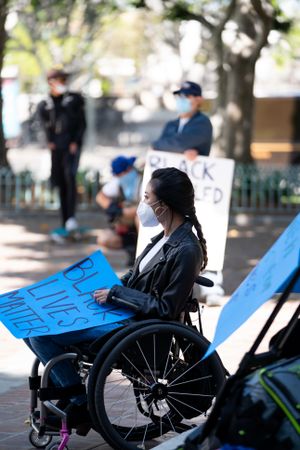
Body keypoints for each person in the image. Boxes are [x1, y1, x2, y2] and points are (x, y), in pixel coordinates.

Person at [25, 167, 207, 434]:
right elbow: (135, 276)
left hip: (138, 330)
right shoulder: (161, 237)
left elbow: (166, 309)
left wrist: (116, 294)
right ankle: (72, 395)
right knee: (31, 326)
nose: (142, 205)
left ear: (163, 206)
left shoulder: (187, 249)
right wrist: (100, 285)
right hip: (122, 315)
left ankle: (79, 402)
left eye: (147, 198)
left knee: (40, 334)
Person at [152, 80, 225, 306]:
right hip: (176, 189)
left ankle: (211, 280)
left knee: (205, 230)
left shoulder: (203, 123)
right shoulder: (172, 124)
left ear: (198, 99)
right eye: (179, 96)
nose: (182, 100)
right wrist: (177, 147)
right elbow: (158, 143)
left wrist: (175, 145)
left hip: (200, 189)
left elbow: (174, 143)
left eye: (188, 95)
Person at [38, 67, 86, 233]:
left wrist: (75, 141)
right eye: (59, 80)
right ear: (51, 83)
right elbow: (43, 125)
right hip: (56, 148)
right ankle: (64, 219)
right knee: (60, 182)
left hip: (71, 147)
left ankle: (72, 218)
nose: (62, 84)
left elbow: (81, 123)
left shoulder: (74, 99)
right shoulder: (46, 103)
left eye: (64, 80)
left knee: (70, 177)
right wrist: (49, 141)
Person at [96, 155, 142, 265]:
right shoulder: (118, 182)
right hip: (127, 227)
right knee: (104, 238)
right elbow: (100, 197)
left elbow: (145, 208)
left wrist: (124, 213)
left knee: (139, 217)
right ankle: (132, 251)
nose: (119, 177)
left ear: (129, 169)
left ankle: (144, 253)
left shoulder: (143, 181)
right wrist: (113, 209)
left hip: (142, 222)